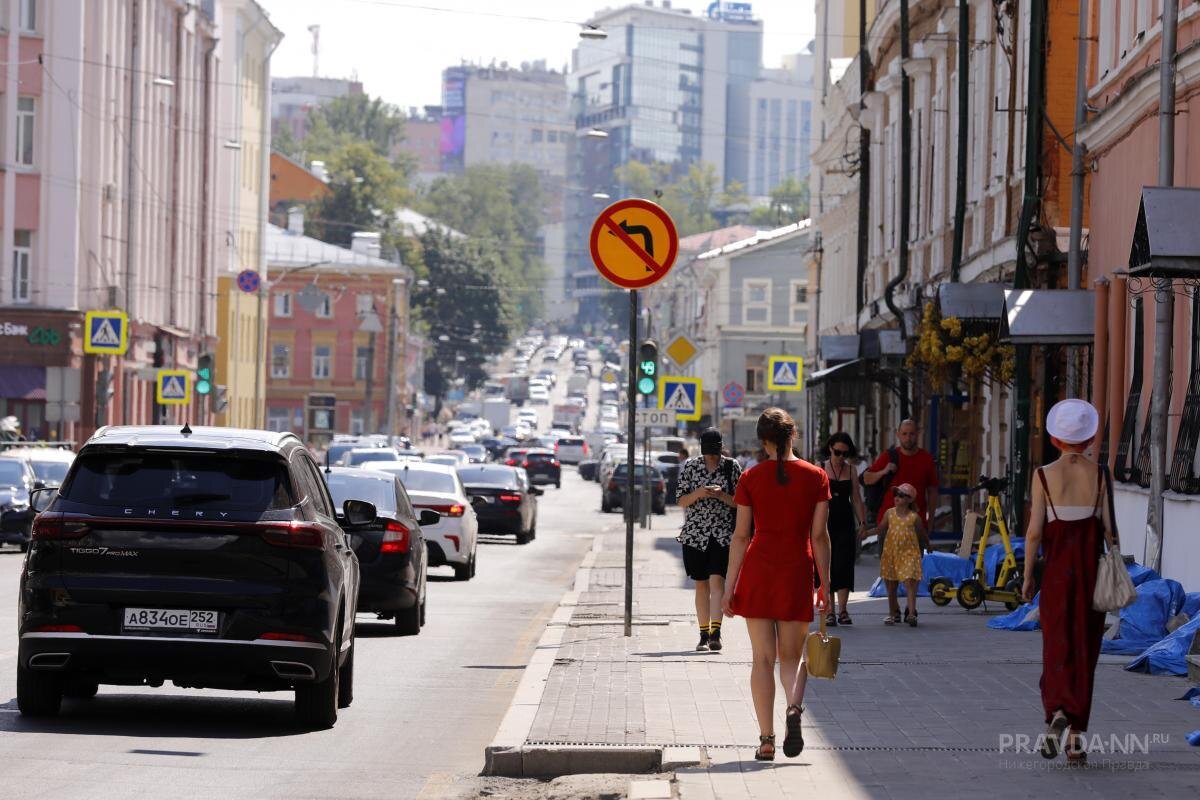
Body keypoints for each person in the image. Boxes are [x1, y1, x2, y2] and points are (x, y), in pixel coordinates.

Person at [722, 408, 831, 762]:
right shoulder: (816, 476)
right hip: (796, 571)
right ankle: (794, 709)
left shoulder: (751, 478)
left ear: (763, 441)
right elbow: (819, 536)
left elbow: (740, 537)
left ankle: (766, 740)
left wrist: (728, 588)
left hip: (758, 571)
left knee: (761, 659)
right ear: (793, 435)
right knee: (792, 658)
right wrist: (825, 584)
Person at [1021, 399, 1112, 763]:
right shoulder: (1101, 475)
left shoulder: (1043, 475)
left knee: (1056, 648)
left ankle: (1056, 709)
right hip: (1091, 575)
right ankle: (1076, 738)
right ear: (1089, 437)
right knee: (1085, 650)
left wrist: (1028, 576)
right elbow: (1111, 530)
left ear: (1056, 439)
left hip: (1057, 576)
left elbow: (1033, 533)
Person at [676, 428, 742, 652]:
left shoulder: (731, 467)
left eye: (715, 452)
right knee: (701, 584)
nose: (712, 457)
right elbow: (682, 500)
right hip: (695, 534)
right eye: (708, 453)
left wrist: (722, 495)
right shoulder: (691, 466)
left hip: (723, 534)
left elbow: (741, 503)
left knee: (717, 581)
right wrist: (700, 493)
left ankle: (716, 633)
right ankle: (703, 633)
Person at [821, 432, 868, 626]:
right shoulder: (820, 468)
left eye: (844, 454)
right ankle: (829, 611)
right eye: (837, 452)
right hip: (825, 520)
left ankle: (843, 610)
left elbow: (856, 497)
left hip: (846, 521)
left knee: (845, 564)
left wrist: (862, 522)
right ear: (830, 448)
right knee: (828, 565)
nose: (841, 457)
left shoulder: (851, 471)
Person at [872, 483, 930, 626]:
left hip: (909, 553)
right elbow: (881, 529)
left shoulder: (914, 517)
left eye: (902, 495)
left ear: (910, 500)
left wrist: (928, 547)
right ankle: (892, 613)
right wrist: (866, 533)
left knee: (910, 581)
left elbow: (922, 534)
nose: (897, 497)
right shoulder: (889, 513)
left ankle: (911, 614)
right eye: (896, 494)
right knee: (891, 585)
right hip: (891, 553)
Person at [863, 419, 939, 527]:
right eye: (904, 434)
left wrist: (931, 520)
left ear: (917, 434)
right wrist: (883, 472)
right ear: (898, 434)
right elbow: (866, 478)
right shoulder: (889, 456)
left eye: (911, 434)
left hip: (915, 525)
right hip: (889, 524)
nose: (908, 438)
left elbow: (933, 492)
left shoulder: (926, 459)